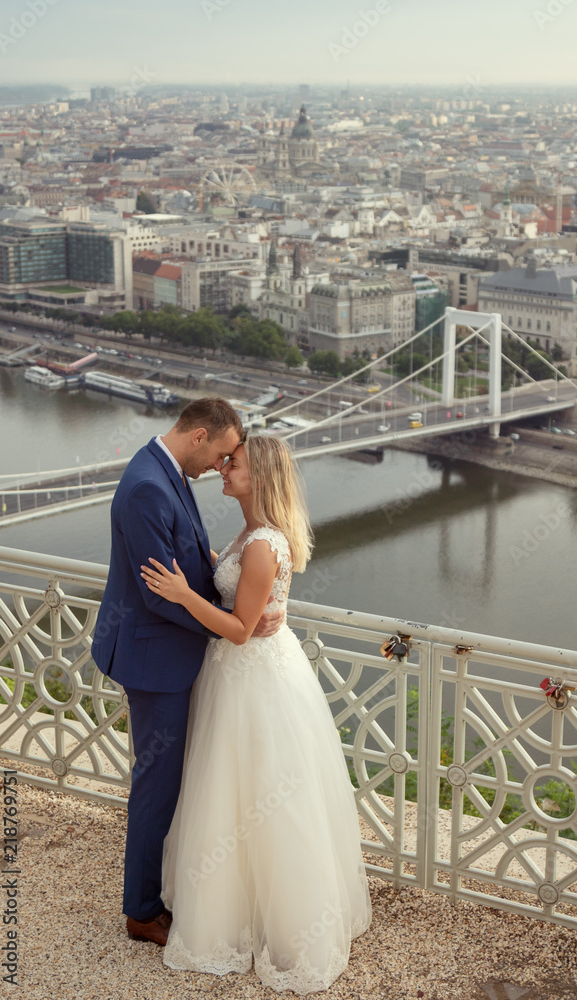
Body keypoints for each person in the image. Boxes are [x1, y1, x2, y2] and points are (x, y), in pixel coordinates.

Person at [140, 435, 372, 995]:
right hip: (234, 677)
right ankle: (233, 909)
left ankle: (285, 925)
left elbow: (242, 630)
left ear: (260, 477)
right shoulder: (250, 534)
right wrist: (220, 574)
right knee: (230, 794)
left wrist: (180, 594)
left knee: (264, 795)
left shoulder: (265, 543)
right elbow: (242, 595)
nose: (223, 468)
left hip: (256, 678)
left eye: (234, 464)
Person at [91, 398, 282, 947]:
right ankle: (142, 911)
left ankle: (172, 888)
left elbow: (193, 563)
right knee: (158, 785)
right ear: (199, 436)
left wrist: (250, 599)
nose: (221, 467)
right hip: (155, 658)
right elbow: (159, 598)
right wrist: (232, 627)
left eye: (231, 462)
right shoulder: (151, 487)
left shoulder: (162, 471)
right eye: (222, 454)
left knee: (181, 779)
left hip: (171, 653)